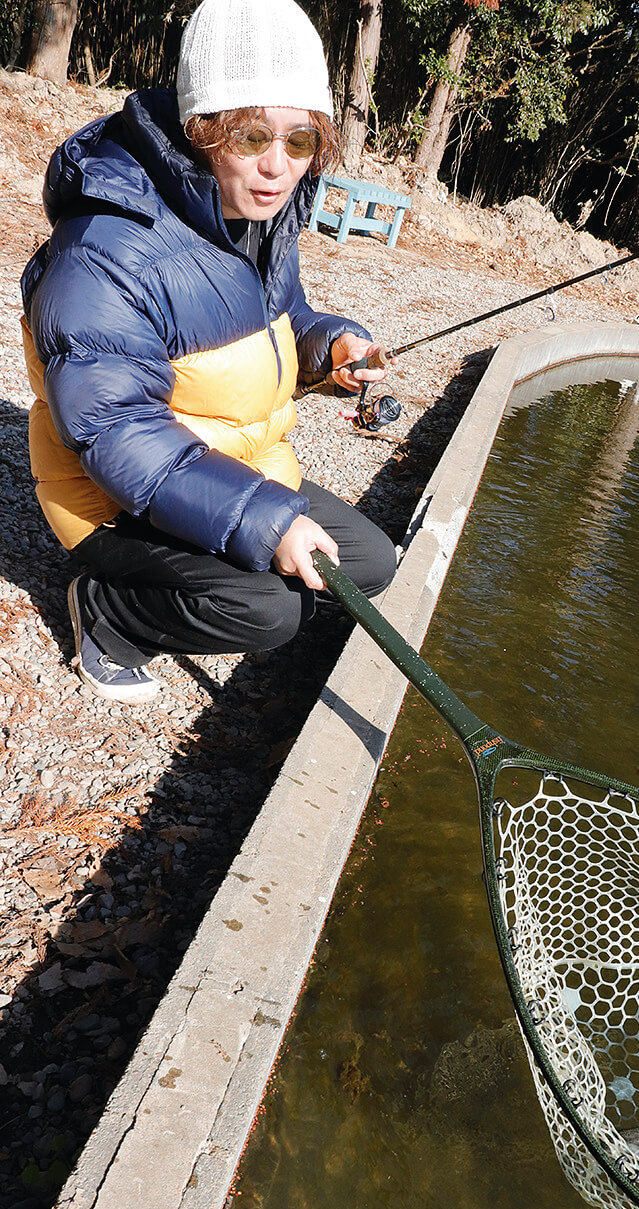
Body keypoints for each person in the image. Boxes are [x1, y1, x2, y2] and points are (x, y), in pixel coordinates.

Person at [20, 0, 397, 704]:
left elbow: (281, 316)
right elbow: (116, 432)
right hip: (112, 498)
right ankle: (109, 611)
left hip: (226, 463)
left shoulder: (255, 214)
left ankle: (218, 574)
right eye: (252, 135)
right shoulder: (106, 251)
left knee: (368, 564)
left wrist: (331, 348)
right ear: (202, 128)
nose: (277, 167)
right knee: (271, 609)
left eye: (301, 141)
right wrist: (267, 521)